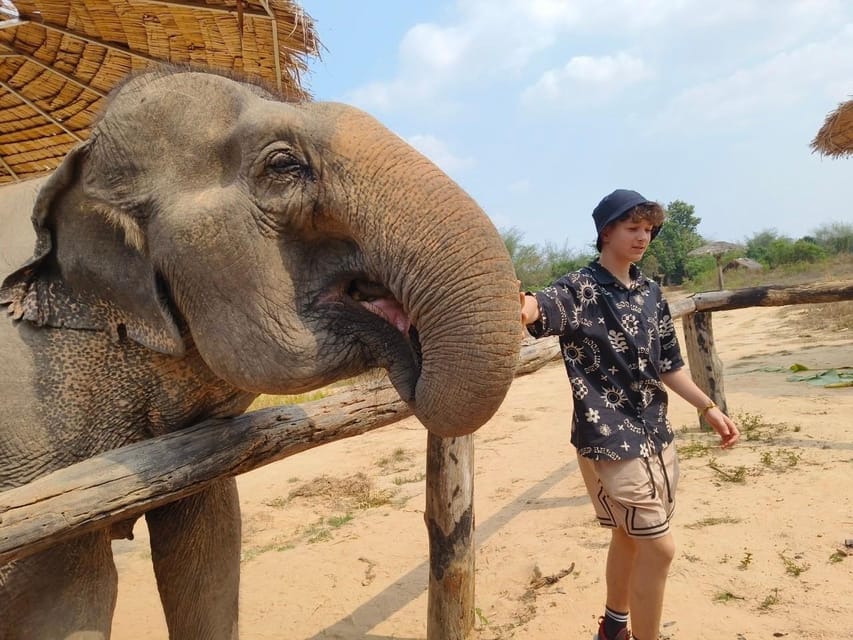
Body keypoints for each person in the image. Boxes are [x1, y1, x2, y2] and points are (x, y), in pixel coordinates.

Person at [520, 189, 740, 640]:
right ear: (605, 231)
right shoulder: (579, 289)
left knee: (630, 536)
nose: (643, 237)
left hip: (656, 434)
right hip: (608, 438)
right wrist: (515, 301)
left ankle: (614, 627)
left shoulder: (651, 292)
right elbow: (537, 309)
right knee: (659, 548)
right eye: (632, 227)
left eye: (648, 229)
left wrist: (708, 407)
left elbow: (670, 365)